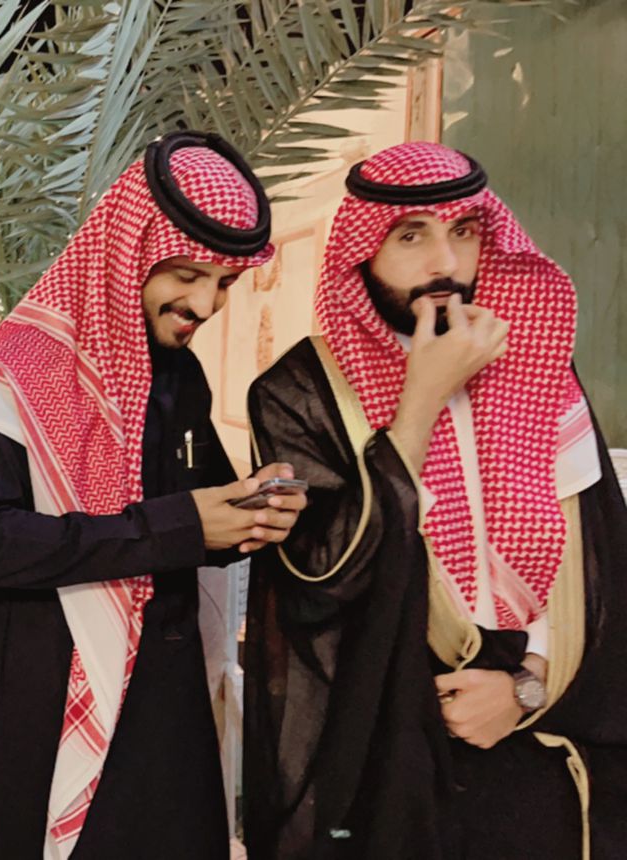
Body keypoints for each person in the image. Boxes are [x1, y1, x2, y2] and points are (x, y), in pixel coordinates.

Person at [243, 141, 627, 858]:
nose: (445, 263)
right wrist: (419, 400)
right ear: (363, 249)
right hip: (390, 737)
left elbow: (599, 561)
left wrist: (526, 687)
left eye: (464, 232)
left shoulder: (539, 365)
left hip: (535, 728)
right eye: (411, 236)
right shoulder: (299, 392)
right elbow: (323, 577)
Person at [0, 131, 305, 859]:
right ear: (130, 252)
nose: (205, 303)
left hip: (167, 712)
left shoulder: (179, 373)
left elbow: (202, 515)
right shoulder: (13, 376)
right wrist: (178, 526)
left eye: (224, 283)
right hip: (53, 705)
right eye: (188, 274)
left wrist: (256, 509)